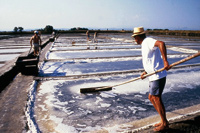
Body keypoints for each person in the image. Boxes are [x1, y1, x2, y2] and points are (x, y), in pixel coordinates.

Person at [132, 27, 171, 131]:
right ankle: (163, 121)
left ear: (138, 37)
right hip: (152, 75)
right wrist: (145, 72)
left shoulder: (147, 41)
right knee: (151, 97)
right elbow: (150, 61)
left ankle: (165, 123)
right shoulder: (144, 44)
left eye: (135, 37)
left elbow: (161, 43)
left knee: (156, 98)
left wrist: (165, 61)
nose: (134, 40)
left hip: (158, 76)